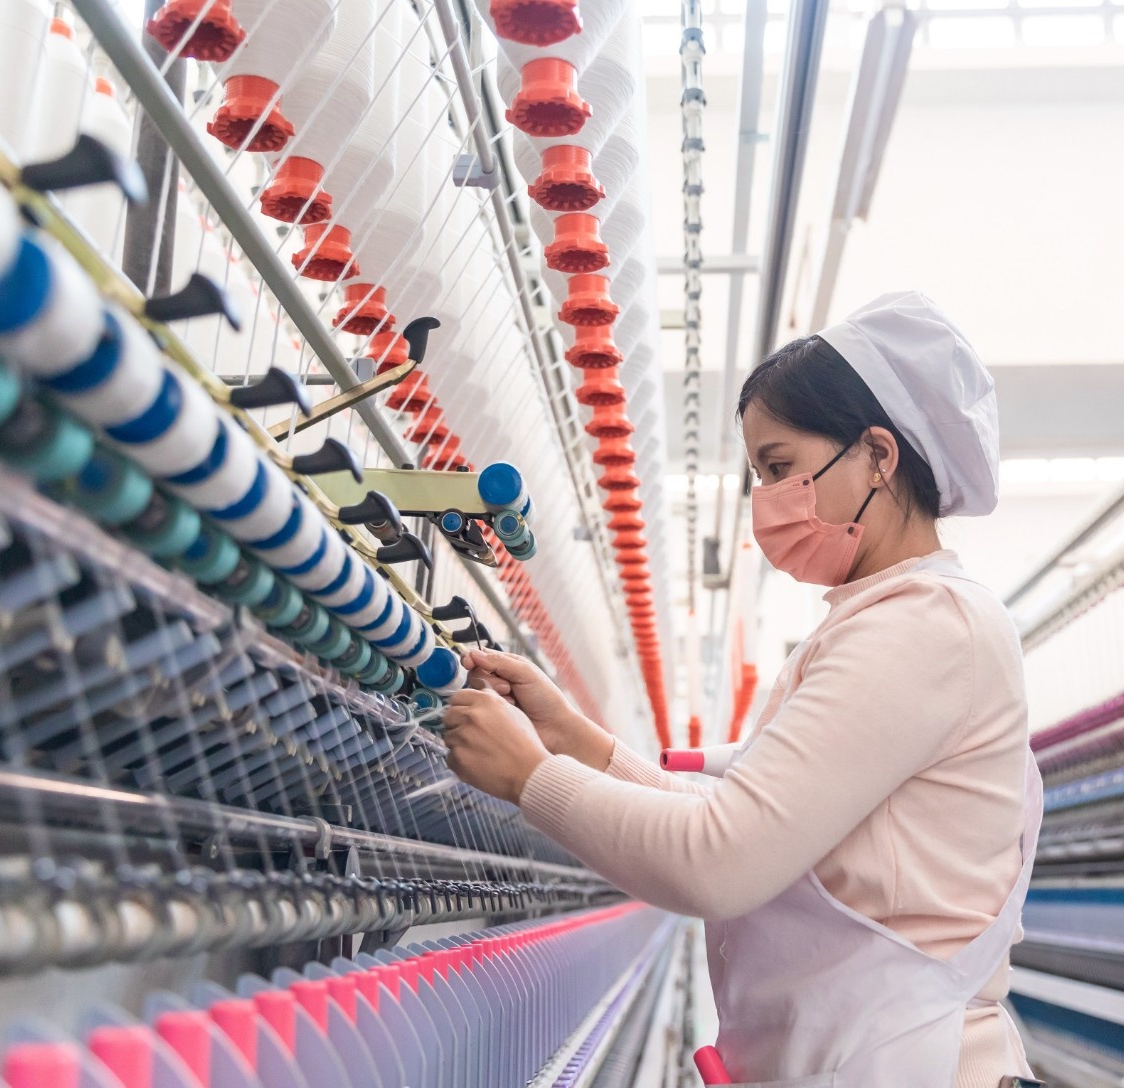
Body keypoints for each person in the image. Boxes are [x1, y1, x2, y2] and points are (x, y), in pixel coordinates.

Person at [441, 291, 1041, 1088]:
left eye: (782, 468)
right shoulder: (877, 621)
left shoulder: (925, 628)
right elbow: (746, 825)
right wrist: (573, 740)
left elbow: (719, 861)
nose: (767, 500)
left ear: (879, 455)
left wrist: (528, 778)